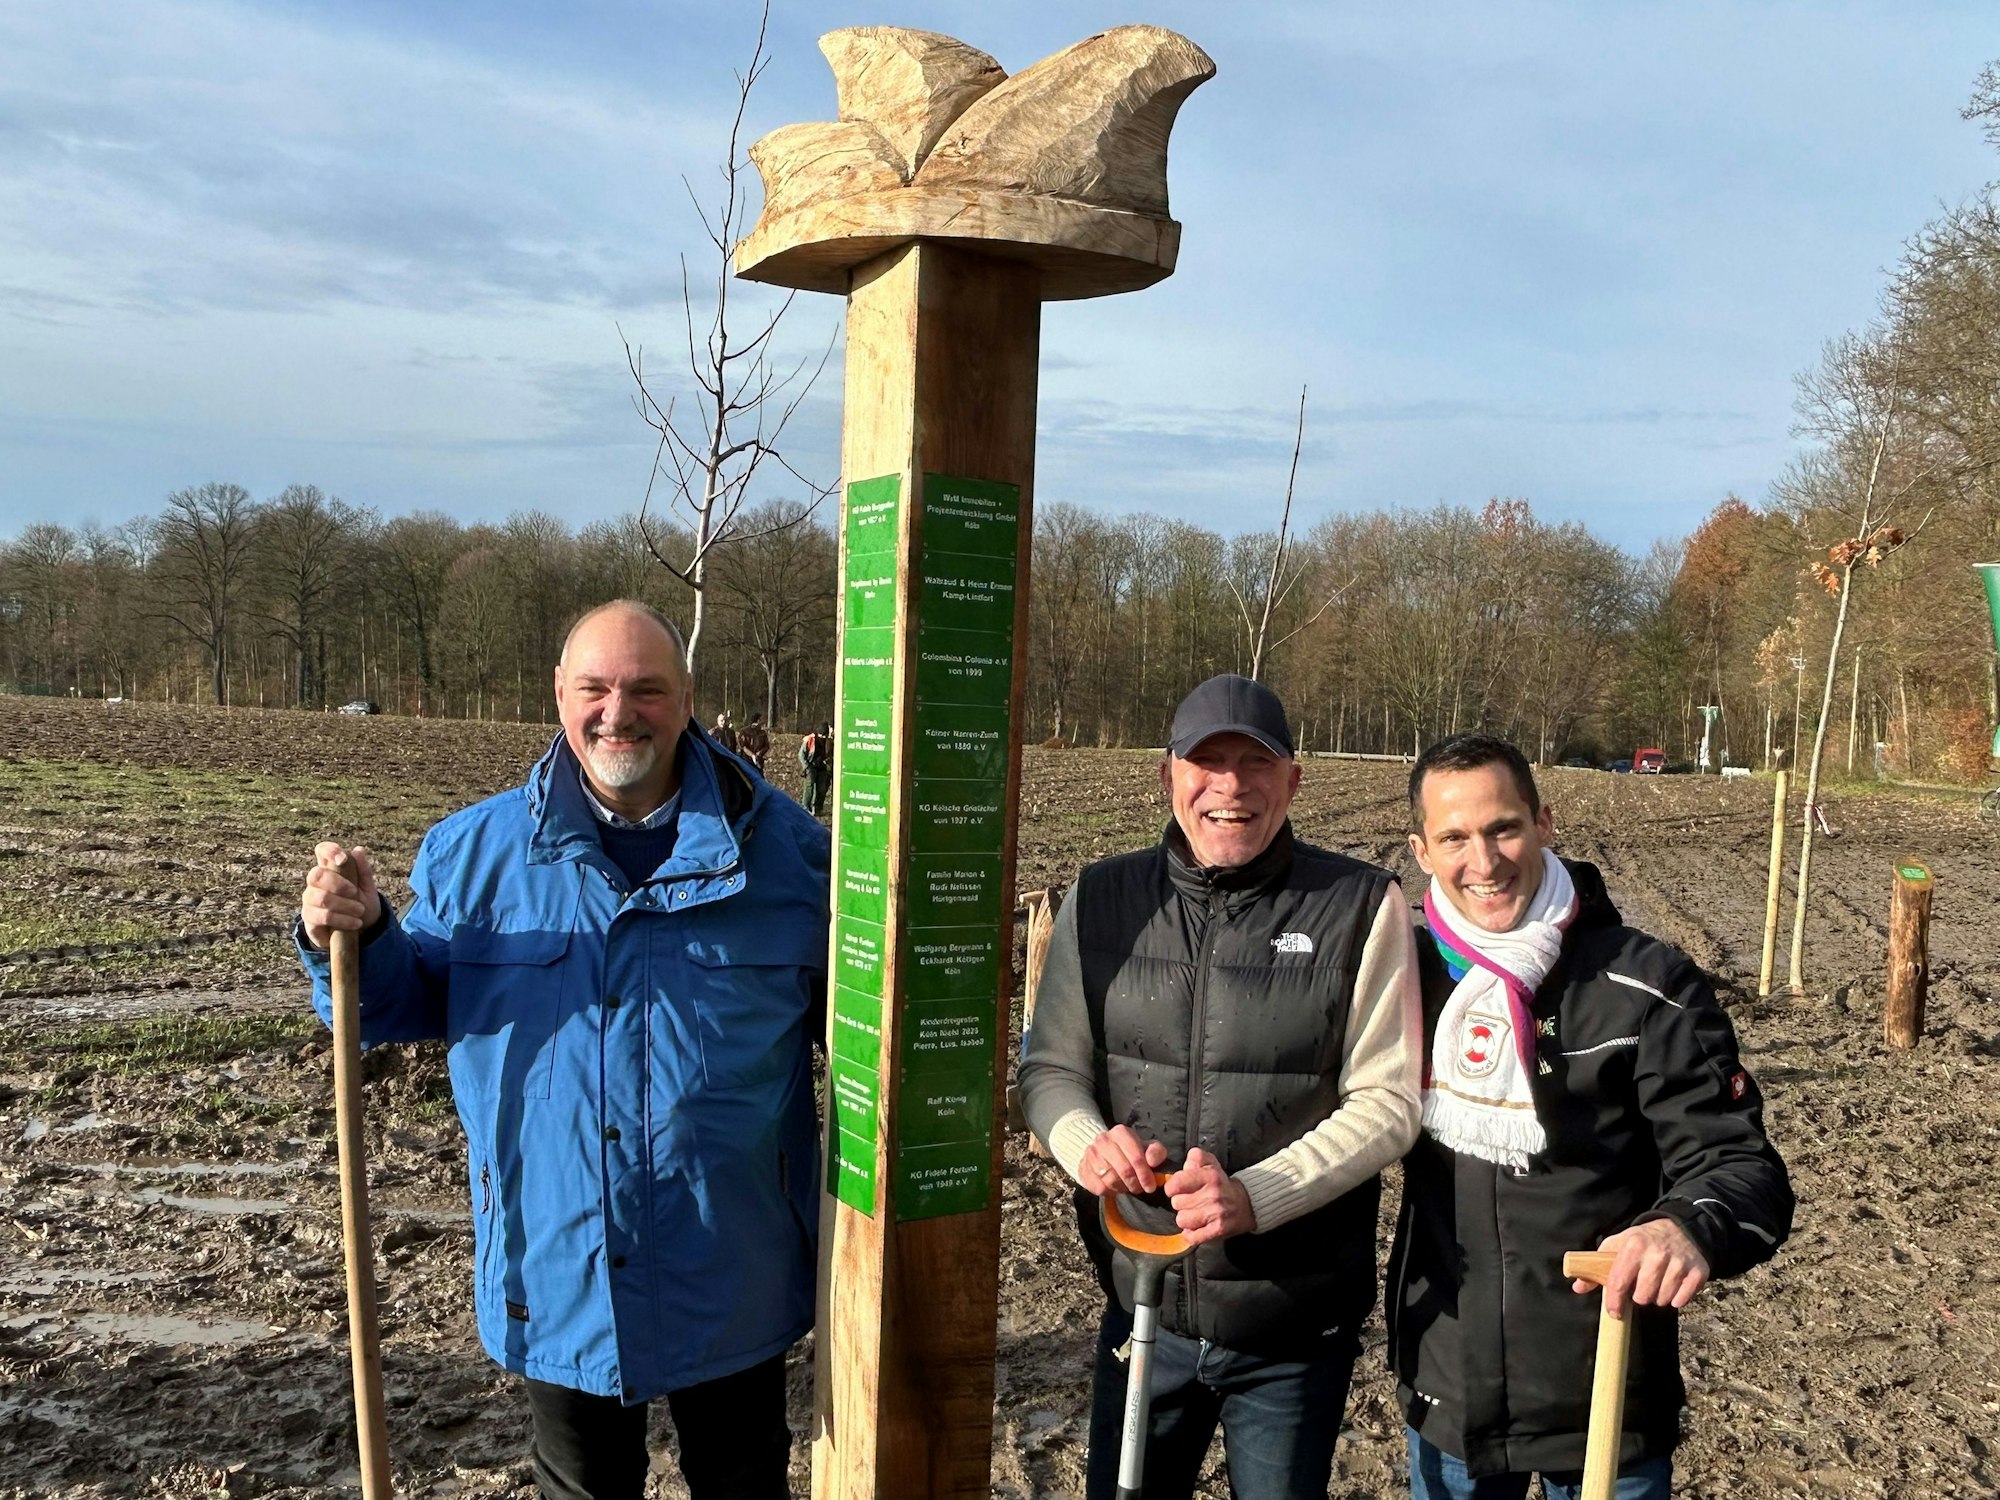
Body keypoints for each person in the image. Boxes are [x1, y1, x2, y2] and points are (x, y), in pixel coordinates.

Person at [295, 600, 830, 1500]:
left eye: (647, 690)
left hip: (731, 1264)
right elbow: (396, 1004)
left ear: (687, 697)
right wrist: (357, 935)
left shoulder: (793, 857)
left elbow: (862, 1038)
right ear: (559, 695)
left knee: (742, 1482)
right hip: (557, 1262)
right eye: (596, 689)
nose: (619, 713)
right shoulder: (475, 855)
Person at [1020, 674, 1422, 1500]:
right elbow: (1051, 1067)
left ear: (1293, 780)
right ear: (1169, 774)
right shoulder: (1102, 898)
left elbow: (1389, 1102)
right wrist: (1089, 1147)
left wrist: (1255, 1197)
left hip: (1293, 1327)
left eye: (1256, 762)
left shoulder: (1360, 905)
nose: (1230, 785)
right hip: (1143, 1307)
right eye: (1208, 761)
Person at [1390, 734, 1794, 1500]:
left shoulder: (1646, 985)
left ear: (1544, 822)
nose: (1484, 860)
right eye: (1455, 838)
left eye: (1504, 828)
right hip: (1451, 1394)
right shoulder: (1402, 981)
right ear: (1422, 851)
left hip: (1604, 1392)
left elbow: (1741, 1166)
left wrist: (1682, 1227)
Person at [798, 722, 833, 817]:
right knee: (809, 787)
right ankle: (805, 807)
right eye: (822, 735)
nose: (823, 737)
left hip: (823, 768)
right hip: (811, 766)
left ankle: (818, 808)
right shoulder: (811, 740)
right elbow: (801, 754)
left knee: (821, 789)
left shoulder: (830, 741)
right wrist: (806, 766)